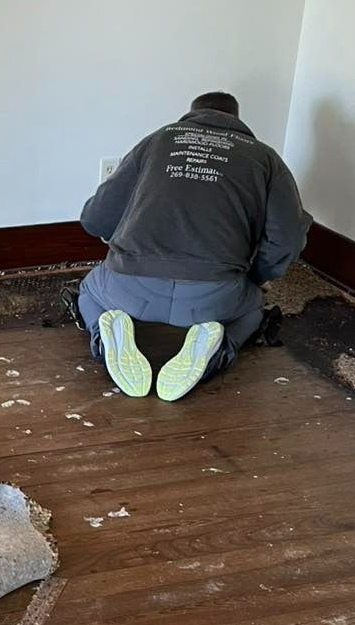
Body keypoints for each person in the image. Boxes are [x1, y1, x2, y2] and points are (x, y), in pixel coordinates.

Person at [76, 92, 311, 401]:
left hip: (130, 290)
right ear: (238, 122)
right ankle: (218, 349)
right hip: (213, 298)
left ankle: (103, 339)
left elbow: (96, 218)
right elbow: (287, 239)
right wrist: (252, 278)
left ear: (191, 115)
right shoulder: (266, 158)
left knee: (89, 292)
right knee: (253, 307)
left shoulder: (158, 141)